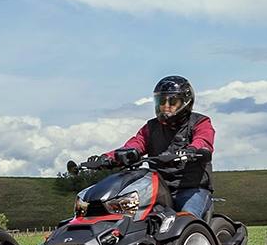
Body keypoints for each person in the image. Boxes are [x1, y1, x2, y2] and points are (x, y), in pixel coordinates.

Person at [88, 75, 215, 219]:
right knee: (132, 217)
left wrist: (192, 150)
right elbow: (134, 144)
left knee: (187, 219)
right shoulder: (151, 127)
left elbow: (203, 140)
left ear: (185, 102)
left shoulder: (200, 122)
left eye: (172, 101)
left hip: (191, 189)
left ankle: (194, 233)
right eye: (161, 101)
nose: (166, 106)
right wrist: (106, 158)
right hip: (158, 190)